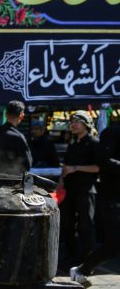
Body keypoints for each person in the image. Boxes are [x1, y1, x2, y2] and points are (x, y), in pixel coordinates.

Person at [70, 123, 120, 286]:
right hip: (112, 196)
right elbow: (103, 161)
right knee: (114, 244)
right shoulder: (112, 132)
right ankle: (82, 269)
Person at [60, 111, 100, 269]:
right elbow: (65, 167)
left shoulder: (94, 143)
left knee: (86, 225)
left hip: (86, 190)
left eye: (77, 121)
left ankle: (88, 260)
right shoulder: (73, 144)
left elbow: (98, 167)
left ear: (86, 124)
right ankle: (73, 256)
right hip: (70, 190)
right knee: (67, 224)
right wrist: (61, 182)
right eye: (72, 121)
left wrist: (75, 168)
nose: (73, 124)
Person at [0, 100, 32, 175]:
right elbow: (28, 164)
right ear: (22, 116)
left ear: (6, 114)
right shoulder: (18, 137)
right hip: (13, 181)